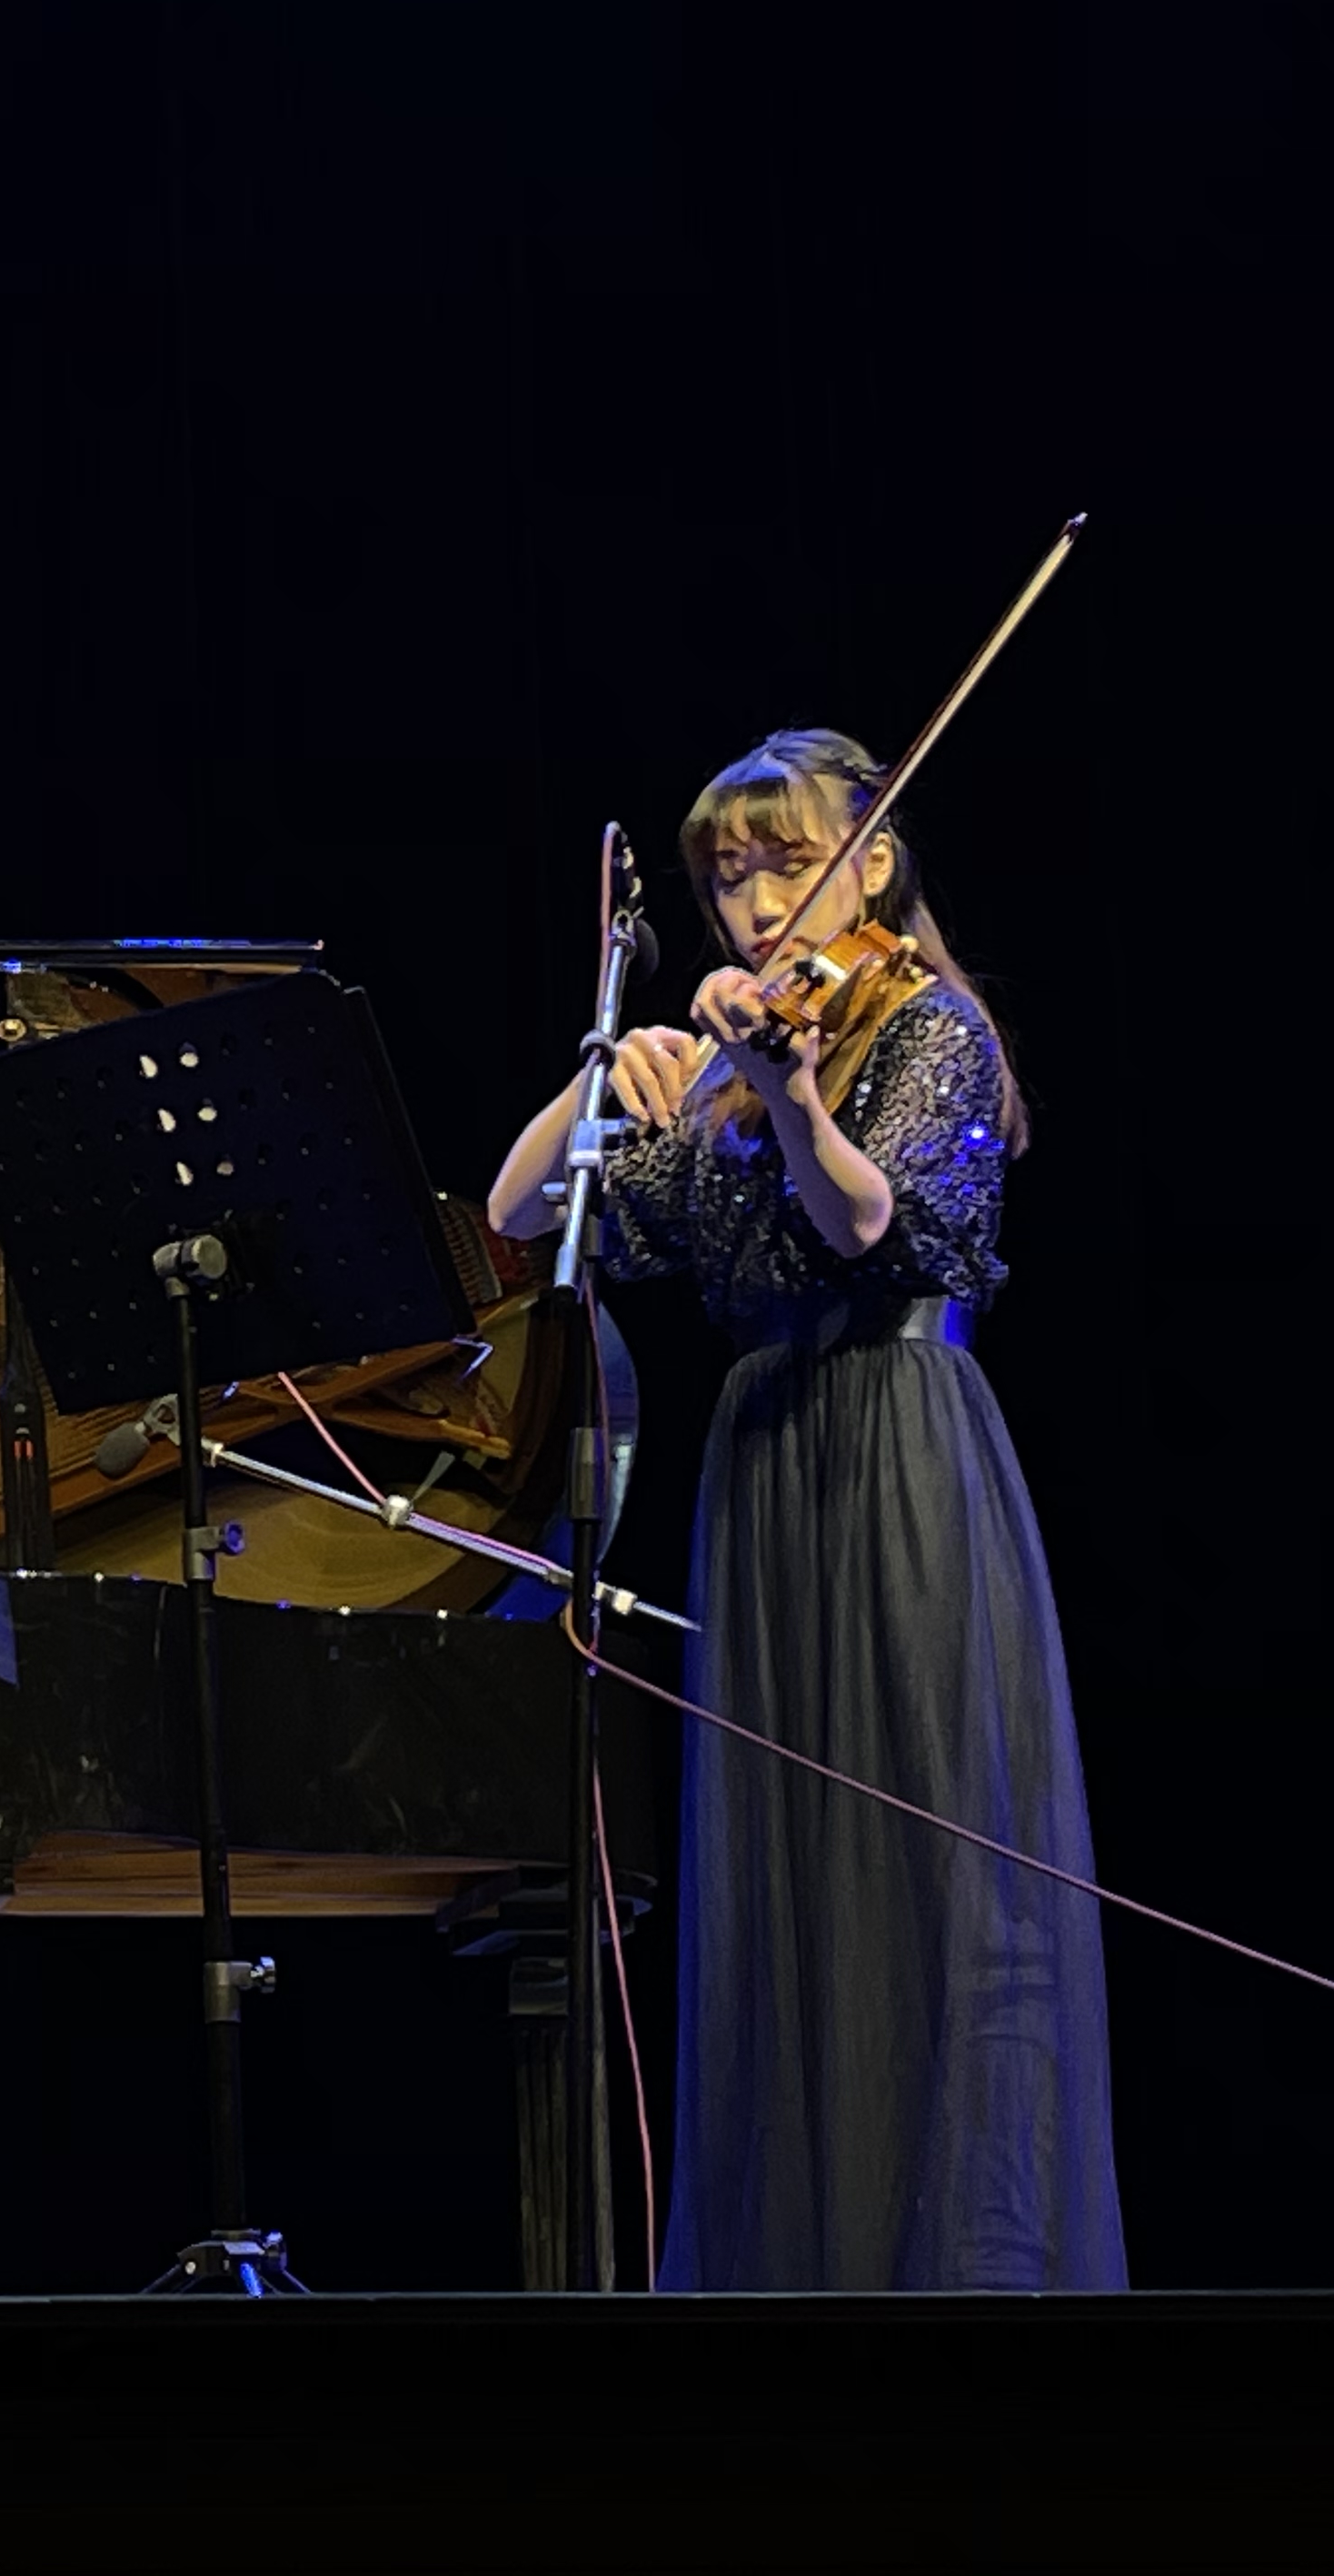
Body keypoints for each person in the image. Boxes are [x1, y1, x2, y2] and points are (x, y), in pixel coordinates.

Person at [487, 728, 1123, 2292]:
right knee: (783, 1876)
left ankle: (964, 2270)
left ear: (872, 861)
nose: (758, 903)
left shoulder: (928, 1025)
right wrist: (603, 1069)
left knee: (931, 1863)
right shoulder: (718, 1067)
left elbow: (863, 1219)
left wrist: (786, 1096)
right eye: (728, 877)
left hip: (900, 1434)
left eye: (788, 862)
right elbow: (520, 1212)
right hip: (764, 1456)